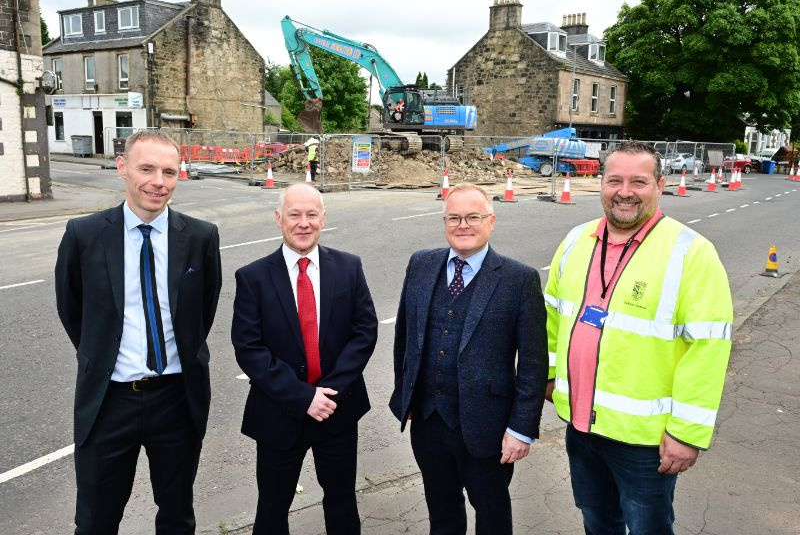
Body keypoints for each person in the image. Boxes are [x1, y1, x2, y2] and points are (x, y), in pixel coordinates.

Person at [544, 140, 733, 534]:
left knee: (647, 527)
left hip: (646, 440)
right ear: (600, 184)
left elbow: (708, 349)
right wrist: (549, 376)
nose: (625, 191)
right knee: (597, 521)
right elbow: (551, 318)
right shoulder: (576, 241)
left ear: (660, 186)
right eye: (614, 180)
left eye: (638, 181)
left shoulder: (691, 253)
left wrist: (686, 432)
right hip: (582, 427)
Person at [55, 130, 223, 534]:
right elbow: (72, 310)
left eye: (168, 171)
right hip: (110, 401)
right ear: (122, 168)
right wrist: (104, 354)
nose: (158, 182)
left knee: (177, 516)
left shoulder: (200, 236)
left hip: (176, 398)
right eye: (146, 169)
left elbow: (203, 312)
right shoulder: (84, 234)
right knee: (96, 520)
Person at [390, 183, 548, 535]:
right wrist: (406, 394)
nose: (463, 225)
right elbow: (405, 336)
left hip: (487, 428)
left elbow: (534, 364)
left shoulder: (519, 279)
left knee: (491, 514)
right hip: (429, 423)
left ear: (491, 221)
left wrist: (521, 429)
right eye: (454, 218)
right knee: (442, 512)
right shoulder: (421, 264)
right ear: (444, 222)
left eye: (473, 217)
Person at [231, 183, 378, 535]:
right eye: (294, 214)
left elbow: (364, 332)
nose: (303, 222)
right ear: (279, 219)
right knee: (272, 507)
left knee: (342, 500)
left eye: (312, 214)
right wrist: (303, 397)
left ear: (323, 219)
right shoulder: (253, 277)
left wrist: (328, 393)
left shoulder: (348, 267)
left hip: (337, 409)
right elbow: (249, 348)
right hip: (279, 413)